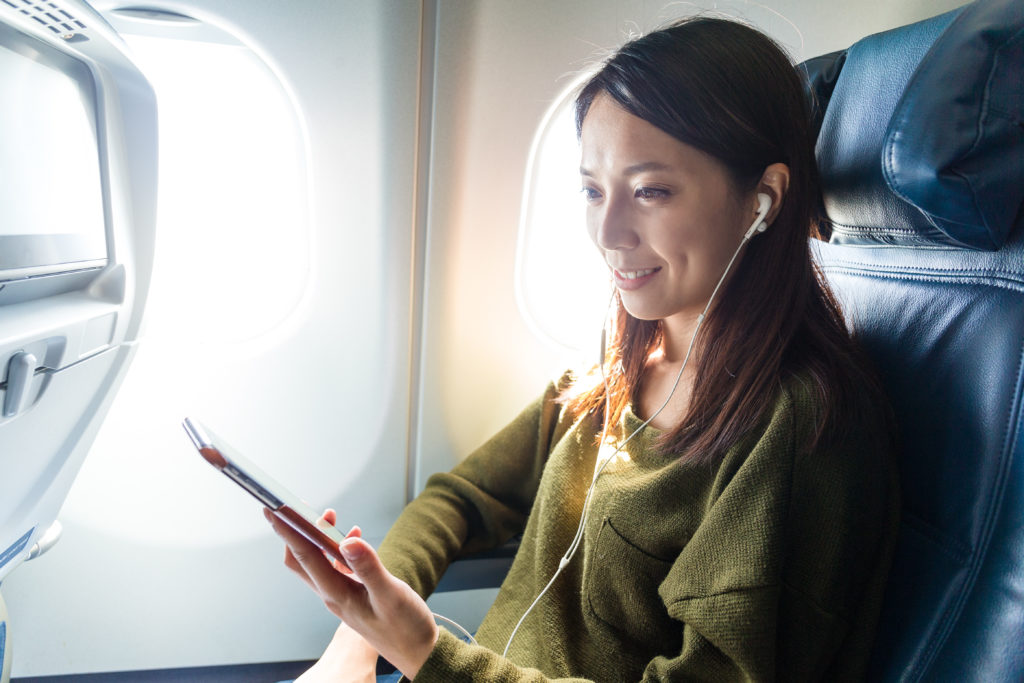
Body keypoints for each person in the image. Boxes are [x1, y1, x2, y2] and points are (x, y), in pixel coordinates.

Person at [267, 16, 900, 682]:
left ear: (763, 200)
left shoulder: (799, 435)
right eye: (593, 190)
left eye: (651, 191)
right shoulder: (614, 372)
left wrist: (424, 650)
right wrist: (356, 640)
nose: (609, 231)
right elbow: (461, 496)